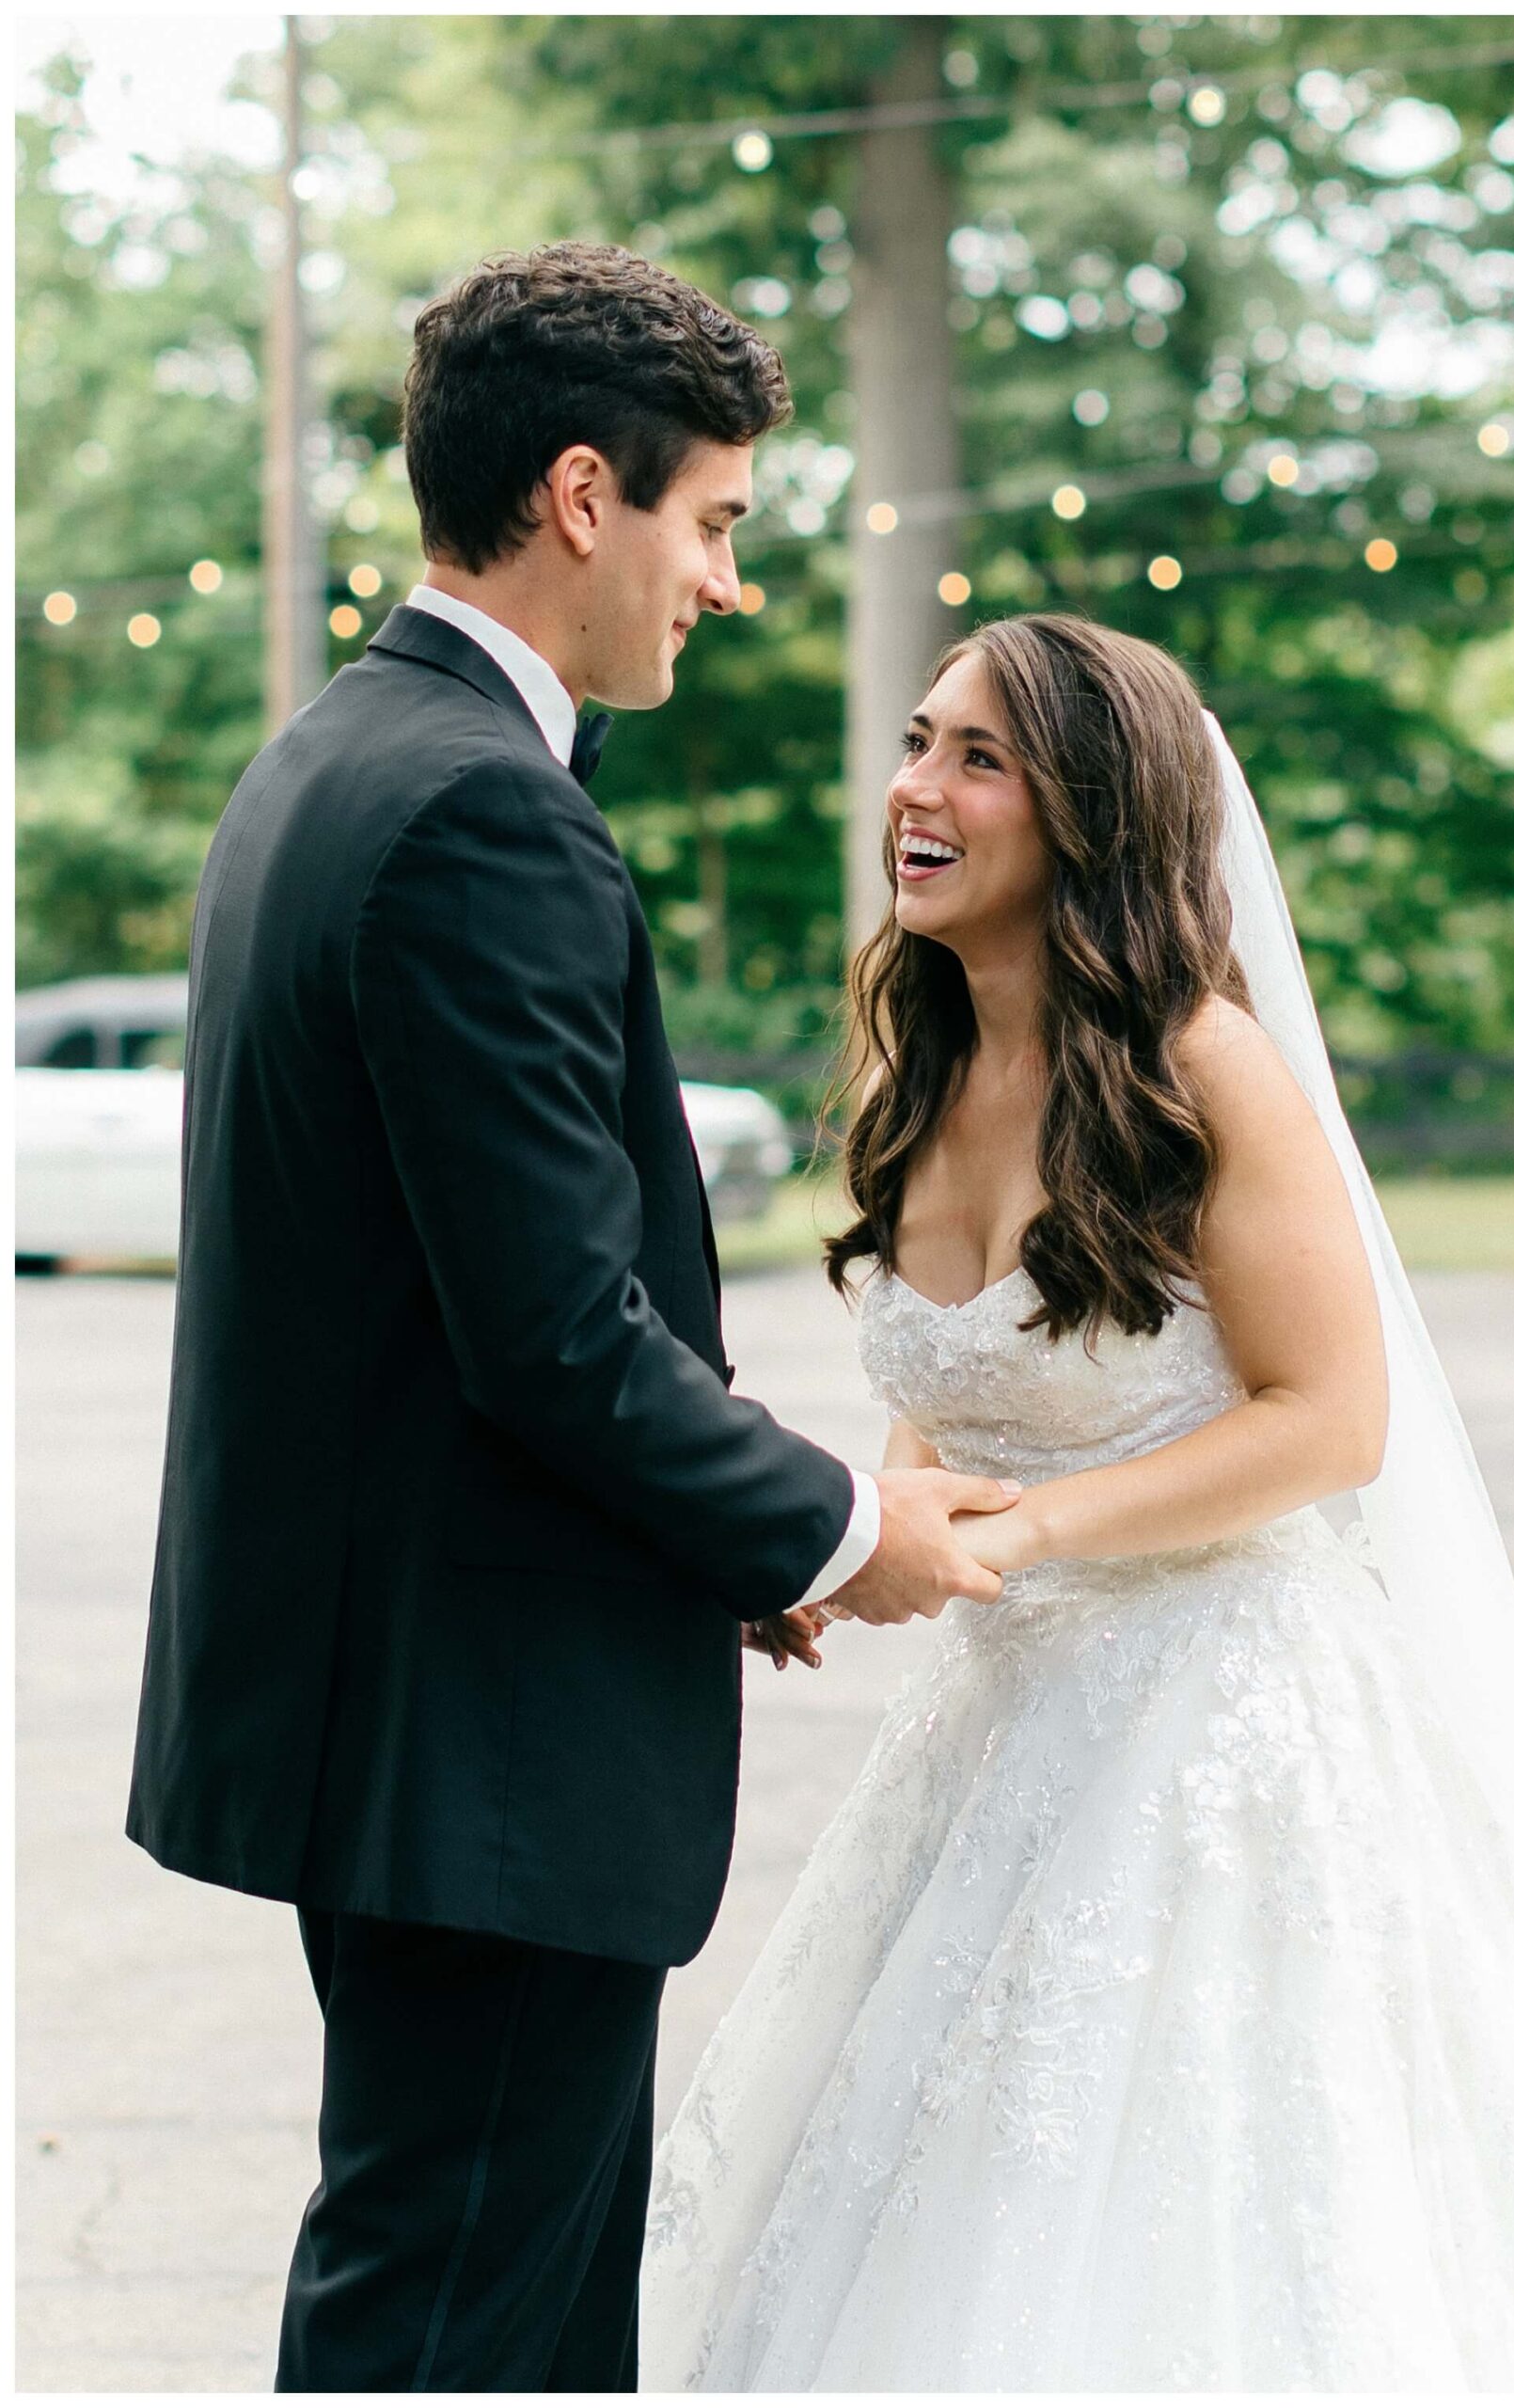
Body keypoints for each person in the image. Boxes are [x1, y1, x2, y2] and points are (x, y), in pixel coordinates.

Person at [123, 244, 1020, 2393]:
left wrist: (705, 1539)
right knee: (464, 2327)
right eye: (713, 521)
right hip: (477, 1737)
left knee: (458, 2284)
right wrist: (827, 1525)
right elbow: (550, 1327)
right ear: (586, 494)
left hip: (403, 1694)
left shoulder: (329, 759)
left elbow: (433, 1298)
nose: (722, 581)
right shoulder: (482, 815)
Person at [642, 613, 1514, 2391]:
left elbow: (1331, 1422)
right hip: (997, 1729)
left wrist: (1034, 1534)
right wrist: (846, 1541)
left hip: (1213, 1716)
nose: (913, 789)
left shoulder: (1203, 1068)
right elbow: (970, 1396)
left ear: (1093, 810)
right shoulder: (914, 1061)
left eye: (976, 759)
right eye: (919, 741)